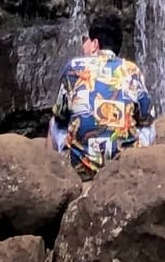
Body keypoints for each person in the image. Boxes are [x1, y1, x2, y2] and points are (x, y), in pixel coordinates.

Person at [49, 9, 154, 178]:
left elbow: (61, 117)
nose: (83, 45)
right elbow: (146, 118)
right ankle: (139, 168)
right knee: (147, 126)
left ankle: (57, 176)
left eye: (86, 41)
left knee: (55, 121)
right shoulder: (132, 70)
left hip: (81, 168)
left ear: (95, 44)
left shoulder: (74, 67)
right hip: (123, 167)